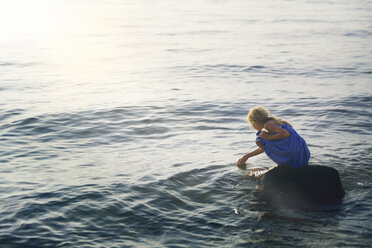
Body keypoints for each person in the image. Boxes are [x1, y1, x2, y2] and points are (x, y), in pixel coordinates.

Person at [237, 106, 310, 169]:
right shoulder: (274, 122)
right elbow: (263, 148)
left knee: (259, 141)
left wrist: (267, 137)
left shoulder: (268, 125)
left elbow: (285, 134)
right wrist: (247, 156)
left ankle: (283, 162)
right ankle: (287, 163)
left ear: (253, 122)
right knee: (262, 140)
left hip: (292, 152)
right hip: (301, 151)